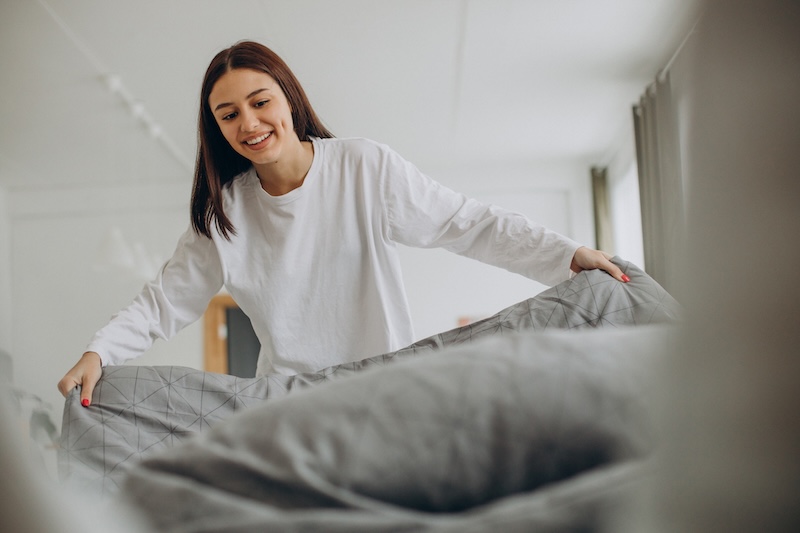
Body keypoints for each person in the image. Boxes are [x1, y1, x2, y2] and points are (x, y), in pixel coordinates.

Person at [57, 40, 628, 406]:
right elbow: (164, 303)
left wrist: (565, 255)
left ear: (289, 98)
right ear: (217, 130)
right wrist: (98, 352)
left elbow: (467, 223)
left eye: (260, 102)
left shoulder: (362, 167)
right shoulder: (227, 212)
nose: (249, 123)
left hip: (388, 392)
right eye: (228, 115)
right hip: (288, 404)